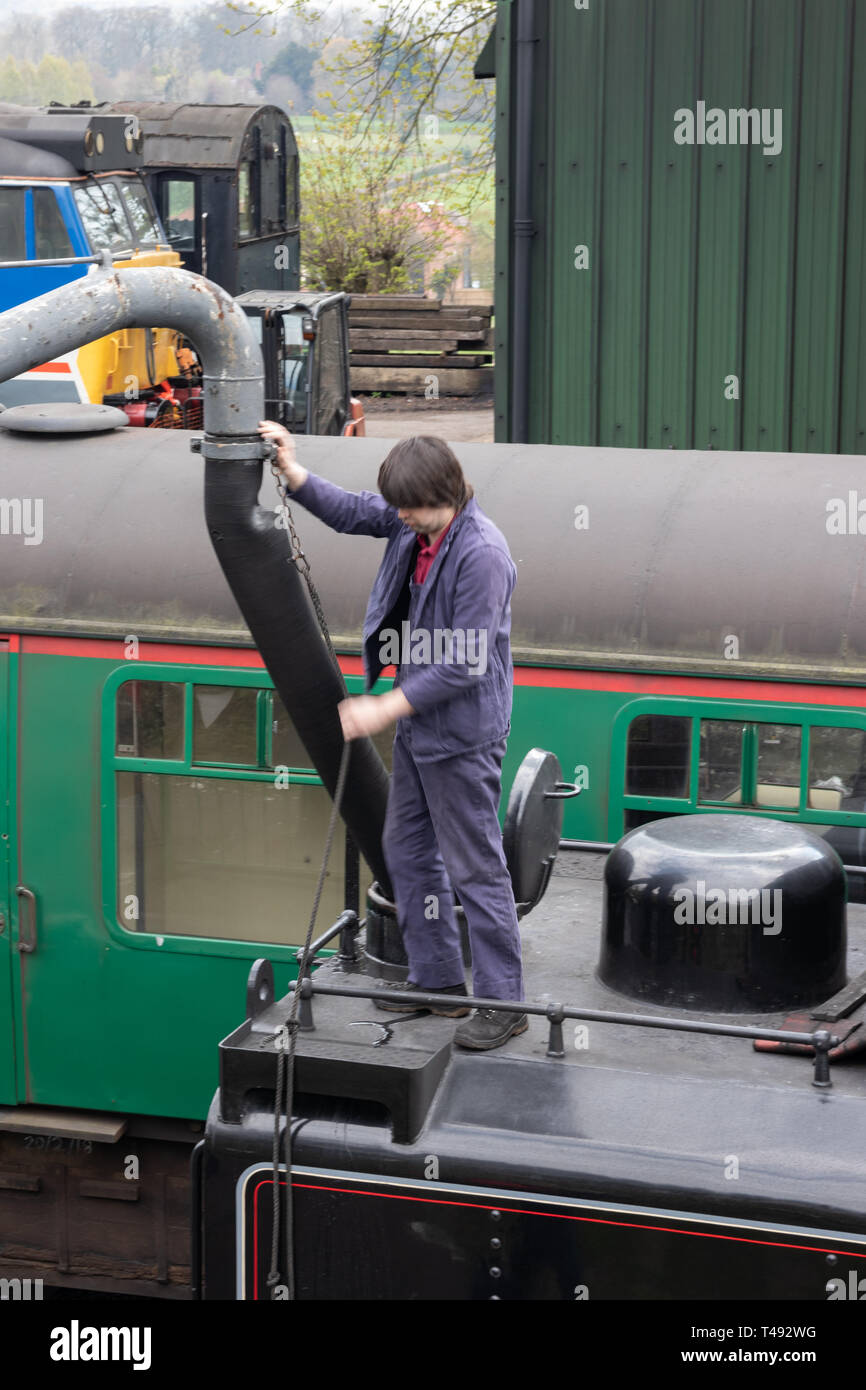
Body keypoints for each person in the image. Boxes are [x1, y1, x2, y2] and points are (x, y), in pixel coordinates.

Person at [258, 421, 527, 1051]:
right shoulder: (418, 518)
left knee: (476, 870)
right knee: (407, 851)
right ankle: (438, 982)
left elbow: (464, 662)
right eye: (399, 507)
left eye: (412, 508)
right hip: (420, 727)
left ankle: (505, 1002)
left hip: (460, 738)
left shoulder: (482, 554)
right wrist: (294, 474)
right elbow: (355, 511)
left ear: (449, 493)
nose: (401, 518)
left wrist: (384, 707)